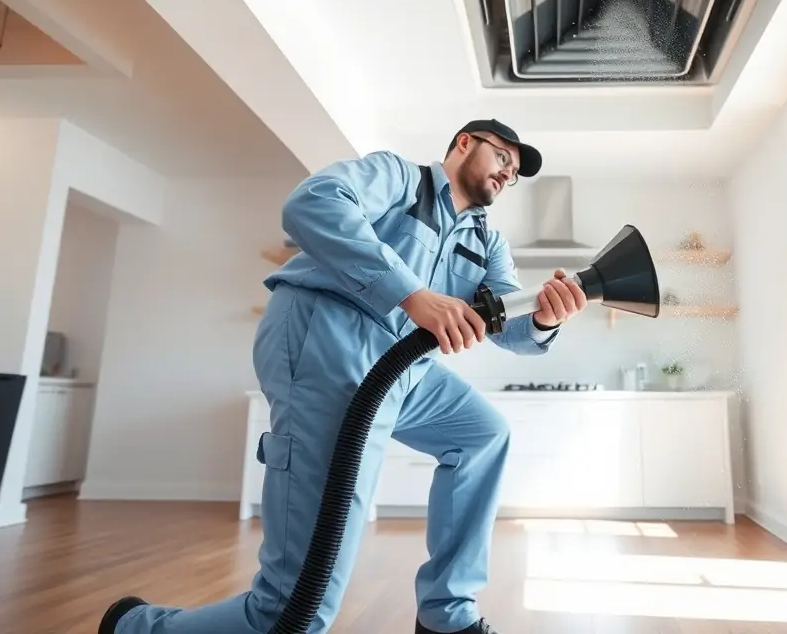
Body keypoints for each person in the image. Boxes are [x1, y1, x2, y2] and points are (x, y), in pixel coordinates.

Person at [100, 119, 587, 634]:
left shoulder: (487, 242)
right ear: (465, 144)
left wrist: (542, 318)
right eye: (503, 158)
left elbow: (505, 325)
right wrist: (411, 294)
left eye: (515, 173)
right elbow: (312, 203)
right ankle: (137, 629)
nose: (508, 175)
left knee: (483, 435)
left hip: (405, 371)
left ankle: (448, 616)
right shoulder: (399, 179)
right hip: (328, 343)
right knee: (300, 605)